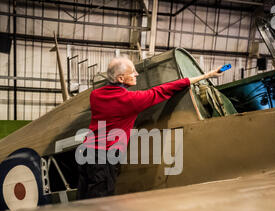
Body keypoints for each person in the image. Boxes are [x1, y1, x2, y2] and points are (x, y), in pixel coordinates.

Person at [77, 56, 223, 200]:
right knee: (99, 202)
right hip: (104, 158)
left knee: (82, 199)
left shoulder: (95, 95)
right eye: (132, 72)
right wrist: (207, 75)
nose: (137, 74)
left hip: (85, 153)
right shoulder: (131, 100)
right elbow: (162, 90)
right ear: (121, 79)